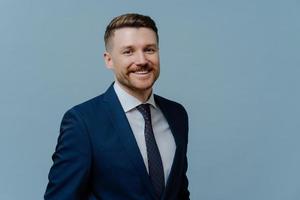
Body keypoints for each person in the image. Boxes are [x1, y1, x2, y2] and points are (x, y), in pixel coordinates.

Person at [44, 13, 190, 200]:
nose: (142, 60)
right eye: (128, 51)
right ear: (109, 60)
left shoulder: (177, 115)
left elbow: (179, 192)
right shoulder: (83, 122)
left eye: (149, 50)